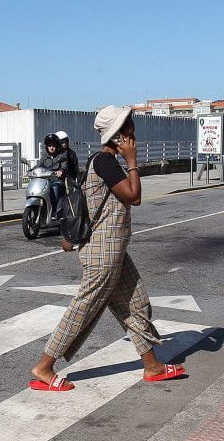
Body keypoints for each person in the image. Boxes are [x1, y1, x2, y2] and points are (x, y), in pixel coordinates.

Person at [28, 105, 186, 392]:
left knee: (136, 304)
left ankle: (152, 366)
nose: (133, 131)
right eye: (129, 127)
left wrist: (72, 237)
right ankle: (44, 367)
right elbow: (133, 196)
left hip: (113, 251)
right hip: (103, 254)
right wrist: (134, 160)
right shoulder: (106, 162)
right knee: (84, 308)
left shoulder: (102, 162)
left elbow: (89, 204)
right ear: (117, 134)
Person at [38, 133, 70, 219]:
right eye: (49, 146)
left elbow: (64, 166)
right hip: (45, 181)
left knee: (54, 188)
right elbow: (38, 166)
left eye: (53, 146)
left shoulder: (61, 156)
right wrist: (29, 171)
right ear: (47, 147)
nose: (51, 148)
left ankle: (54, 211)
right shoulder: (44, 157)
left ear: (56, 146)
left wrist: (61, 171)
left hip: (57, 181)